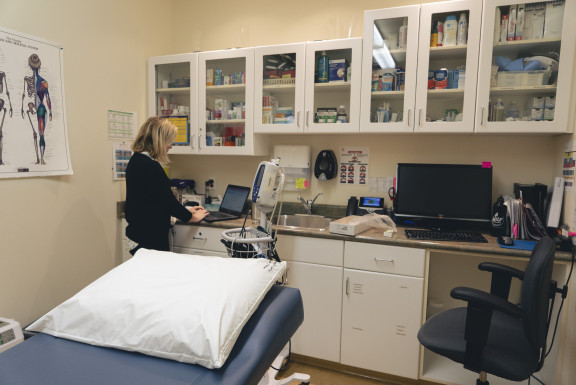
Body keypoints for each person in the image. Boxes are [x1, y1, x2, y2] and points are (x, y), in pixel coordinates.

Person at [125, 117, 208, 255]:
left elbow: (154, 199)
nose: (171, 145)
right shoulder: (150, 166)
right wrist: (191, 217)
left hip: (138, 235)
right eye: (169, 141)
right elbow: (168, 202)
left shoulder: (136, 160)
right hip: (149, 238)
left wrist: (186, 210)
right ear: (160, 140)